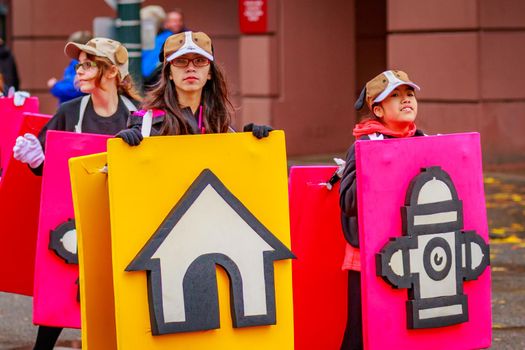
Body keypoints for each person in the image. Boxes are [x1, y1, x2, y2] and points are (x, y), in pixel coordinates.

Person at [12, 37, 141, 350]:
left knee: (120, 297)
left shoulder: (138, 116)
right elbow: (45, 169)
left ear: (110, 71)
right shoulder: (70, 112)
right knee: (62, 290)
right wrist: (34, 161)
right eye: (79, 65)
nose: (77, 72)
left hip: (122, 221)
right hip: (72, 224)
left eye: (86, 65)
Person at [339, 70, 424, 350]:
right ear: (378, 109)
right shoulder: (365, 145)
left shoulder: (425, 142)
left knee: (405, 330)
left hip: (412, 254)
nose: (406, 100)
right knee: (362, 333)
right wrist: (378, 167)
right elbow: (348, 202)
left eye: (409, 94)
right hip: (368, 258)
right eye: (395, 96)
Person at [116, 30, 271, 145]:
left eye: (199, 60)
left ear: (209, 72)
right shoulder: (146, 124)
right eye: (181, 61)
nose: (191, 68)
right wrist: (123, 148)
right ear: (169, 73)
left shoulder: (221, 123)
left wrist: (253, 142)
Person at [143, 8, 188, 87]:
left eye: (179, 20)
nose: (177, 23)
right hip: (152, 80)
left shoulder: (188, 37)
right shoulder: (159, 38)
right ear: (165, 23)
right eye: (173, 21)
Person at [48, 30, 93, 104]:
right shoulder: (75, 62)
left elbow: (74, 88)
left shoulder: (79, 63)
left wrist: (55, 85)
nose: (79, 71)